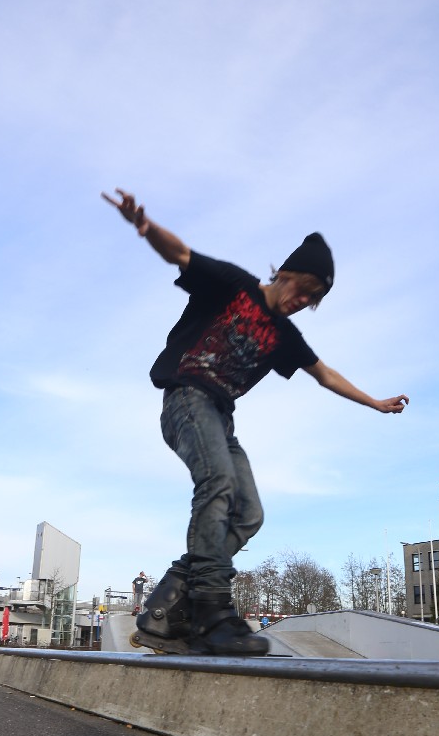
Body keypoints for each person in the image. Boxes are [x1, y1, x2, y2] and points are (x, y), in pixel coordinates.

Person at [102, 188, 408, 656]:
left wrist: (375, 403)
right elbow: (180, 254)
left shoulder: (285, 335)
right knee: (218, 482)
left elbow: (324, 374)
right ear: (283, 274)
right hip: (186, 400)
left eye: (312, 299)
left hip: (220, 418)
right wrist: (145, 227)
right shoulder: (236, 286)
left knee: (249, 514)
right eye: (301, 289)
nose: (301, 301)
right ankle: (210, 610)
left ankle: (170, 601)